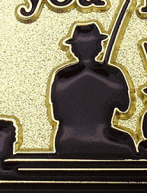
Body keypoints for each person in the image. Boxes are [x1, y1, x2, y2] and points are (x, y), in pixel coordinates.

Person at [51, 22, 136, 157]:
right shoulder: (113, 75)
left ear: (73, 49)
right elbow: (124, 107)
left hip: (65, 141)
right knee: (128, 143)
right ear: (99, 47)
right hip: (102, 139)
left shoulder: (61, 77)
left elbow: (57, 114)